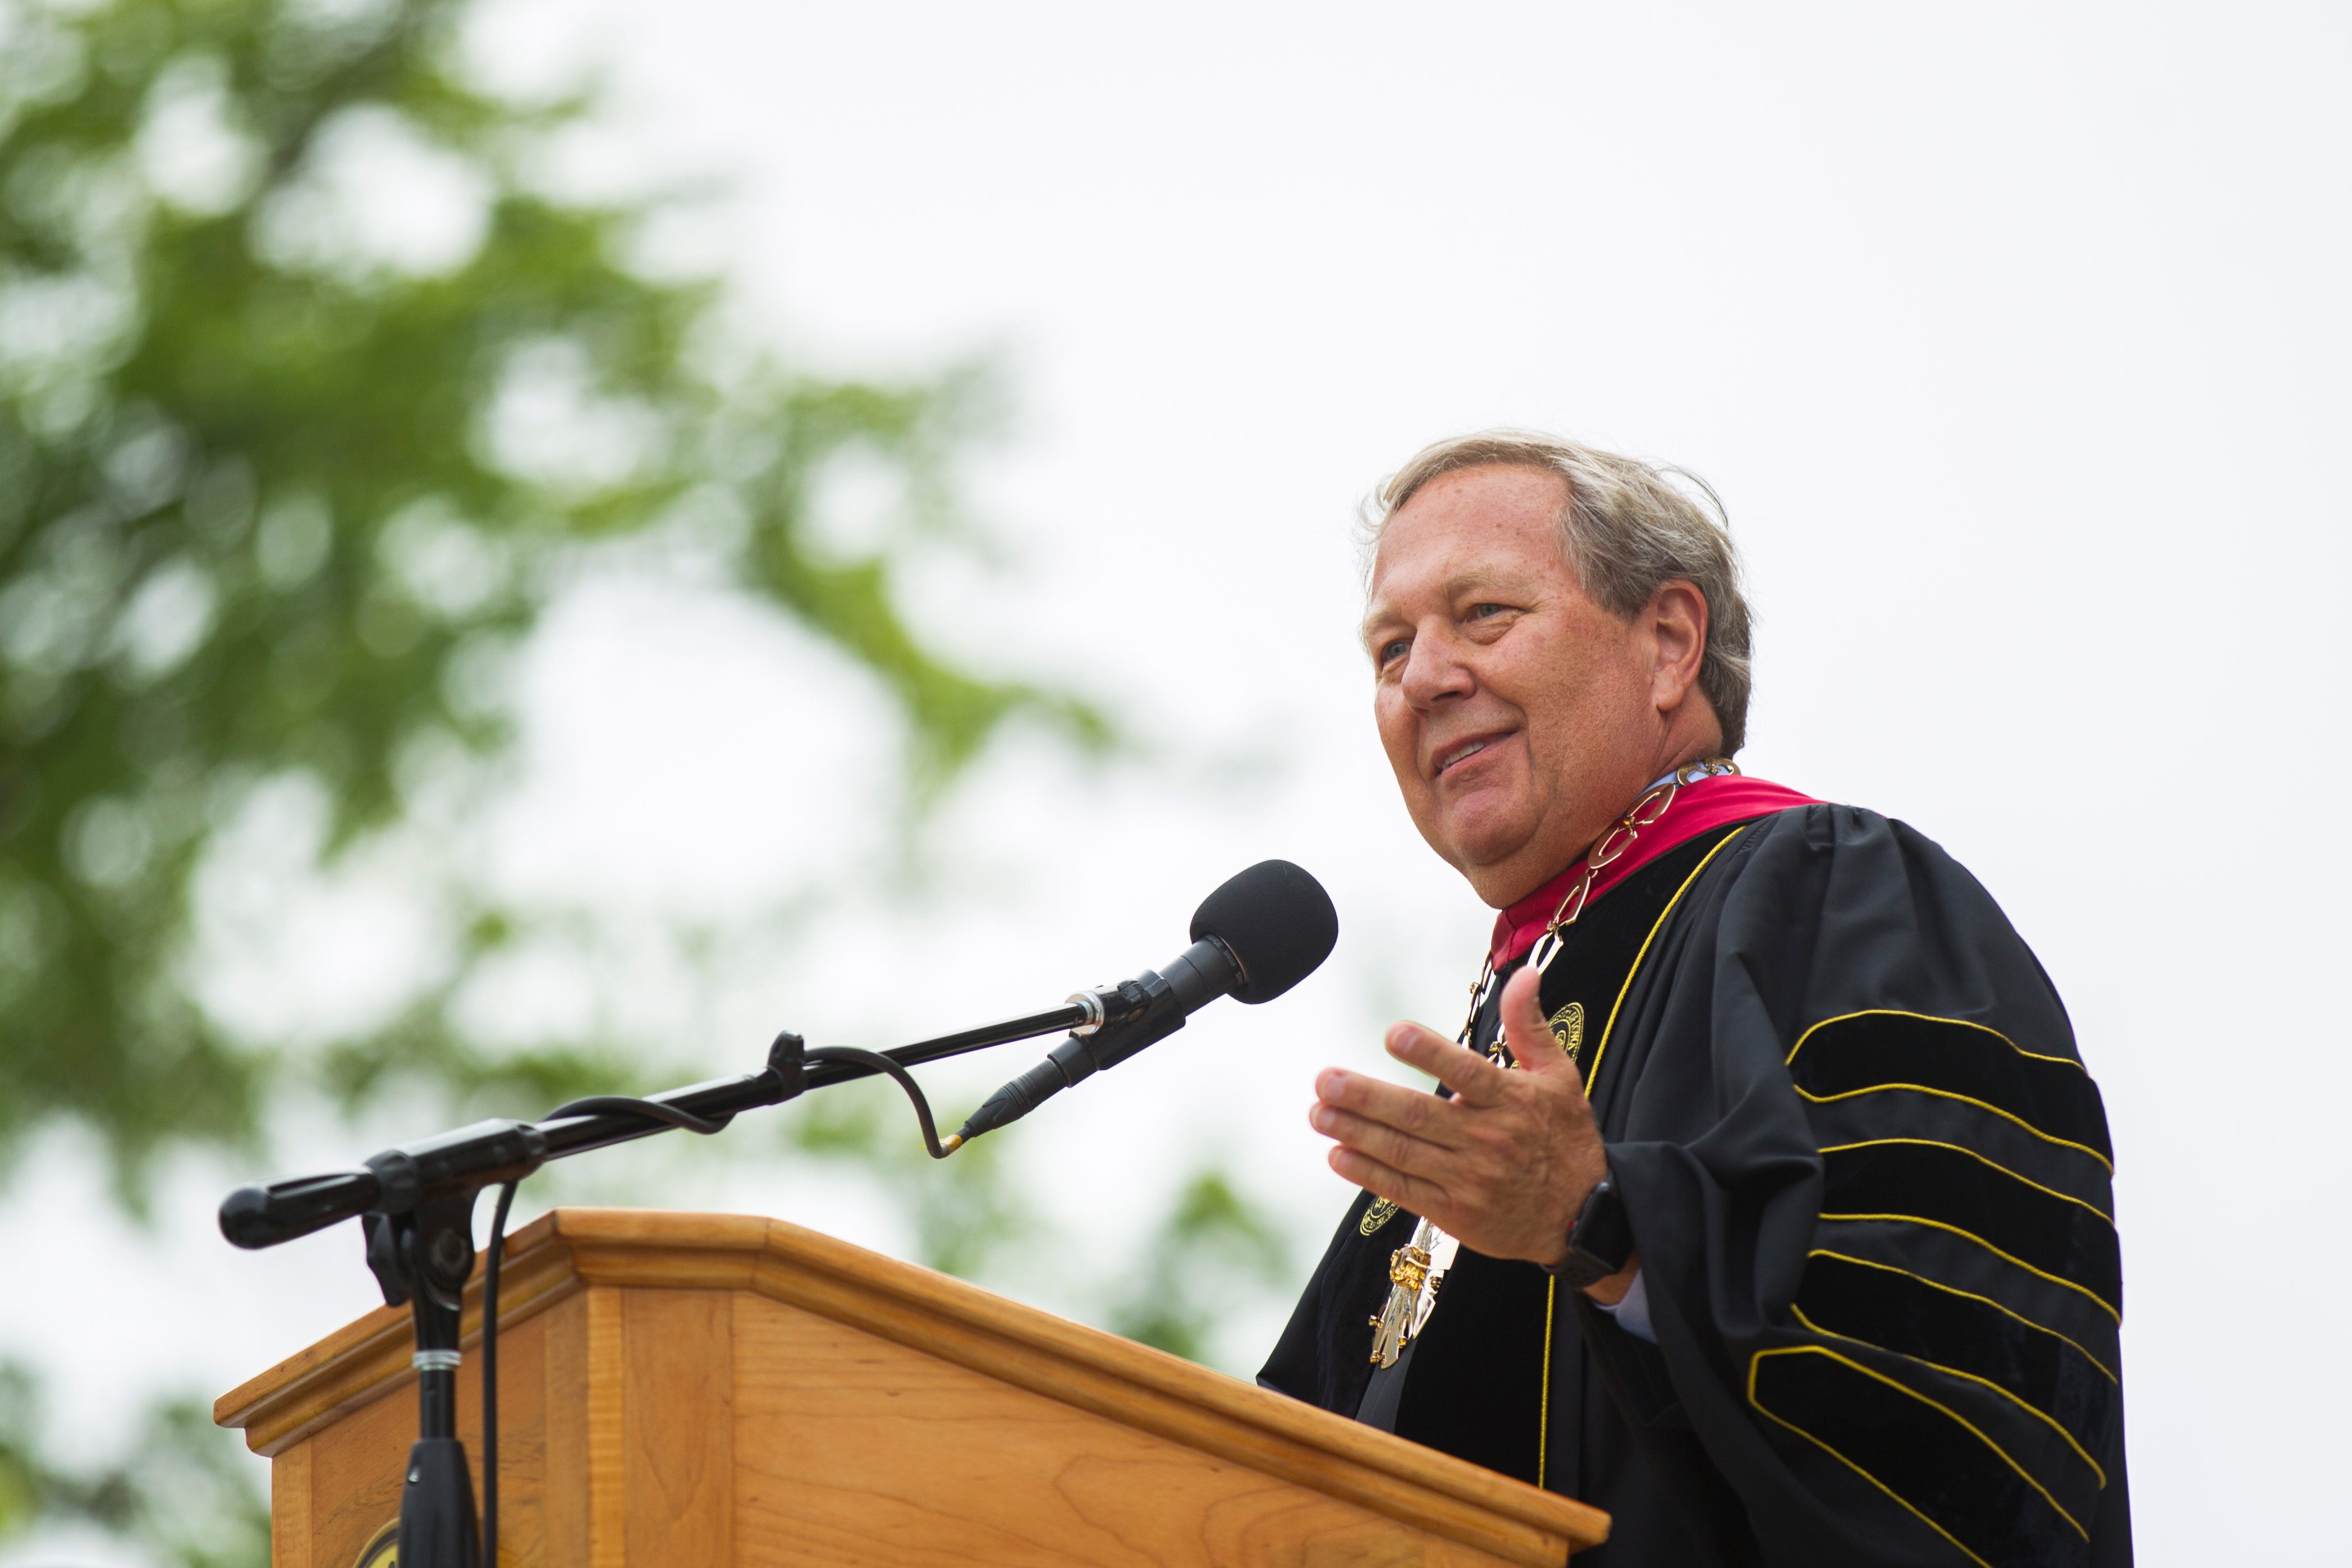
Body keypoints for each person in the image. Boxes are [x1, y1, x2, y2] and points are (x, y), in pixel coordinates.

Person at [1258, 433, 2129, 1568]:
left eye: (1480, 614)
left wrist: (1605, 1223)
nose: (1423, 676)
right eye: (1388, 648)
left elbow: (1952, 1395)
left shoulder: (1834, 892)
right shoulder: (1516, 1003)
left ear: (1668, 643)